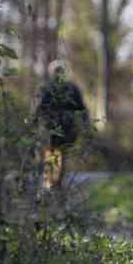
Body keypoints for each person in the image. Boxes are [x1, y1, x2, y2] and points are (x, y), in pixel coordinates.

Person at [34, 59, 89, 190]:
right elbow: (39, 108)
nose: (59, 73)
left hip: (66, 127)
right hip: (53, 127)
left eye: (60, 71)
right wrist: (35, 123)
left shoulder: (71, 88)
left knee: (60, 155)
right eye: (57, 71)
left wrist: (85, 124)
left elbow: (81, 108)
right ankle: (51, 184)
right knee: (53, 154)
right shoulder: (46, 88)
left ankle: (56, 184)